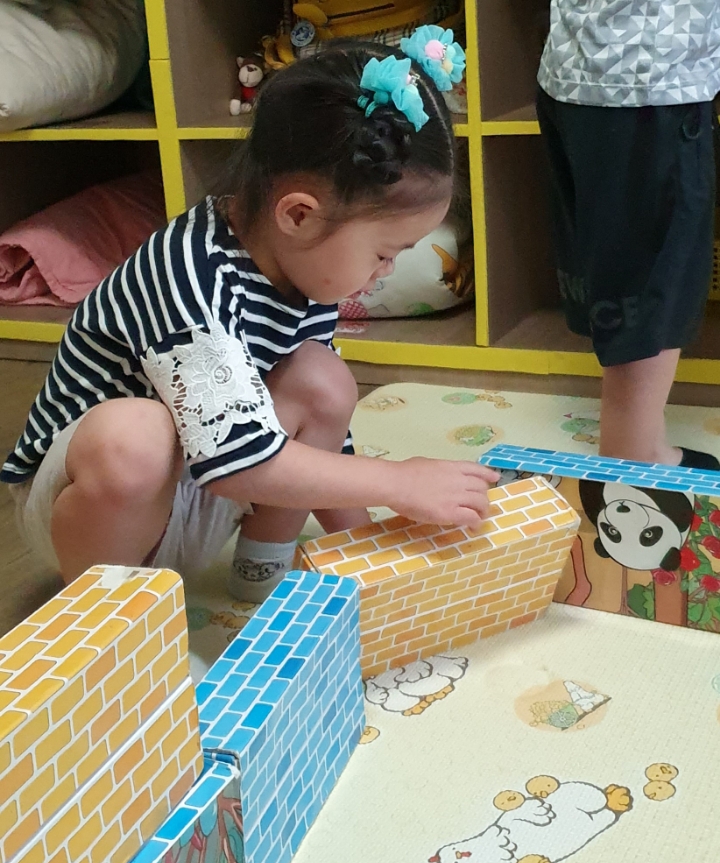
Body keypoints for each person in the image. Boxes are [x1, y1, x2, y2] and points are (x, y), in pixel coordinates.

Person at [1, 31, 498, 602]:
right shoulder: (191, 272)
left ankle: (261, 577)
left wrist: (376, 558)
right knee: (135, 437)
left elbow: (315, 441)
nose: (385, 272)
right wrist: (399, 482)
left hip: (200, 482)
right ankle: (110, 617)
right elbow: (235, 462)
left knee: (323, 378)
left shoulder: (304, 268)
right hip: (92, 507)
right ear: (300, 215)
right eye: (384, 253)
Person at [537, 2, 720, 470]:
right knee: (653, 281)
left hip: (581, 67)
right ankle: (634, 455)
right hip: (653, 78)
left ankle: (643, 438)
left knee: (623, 277)